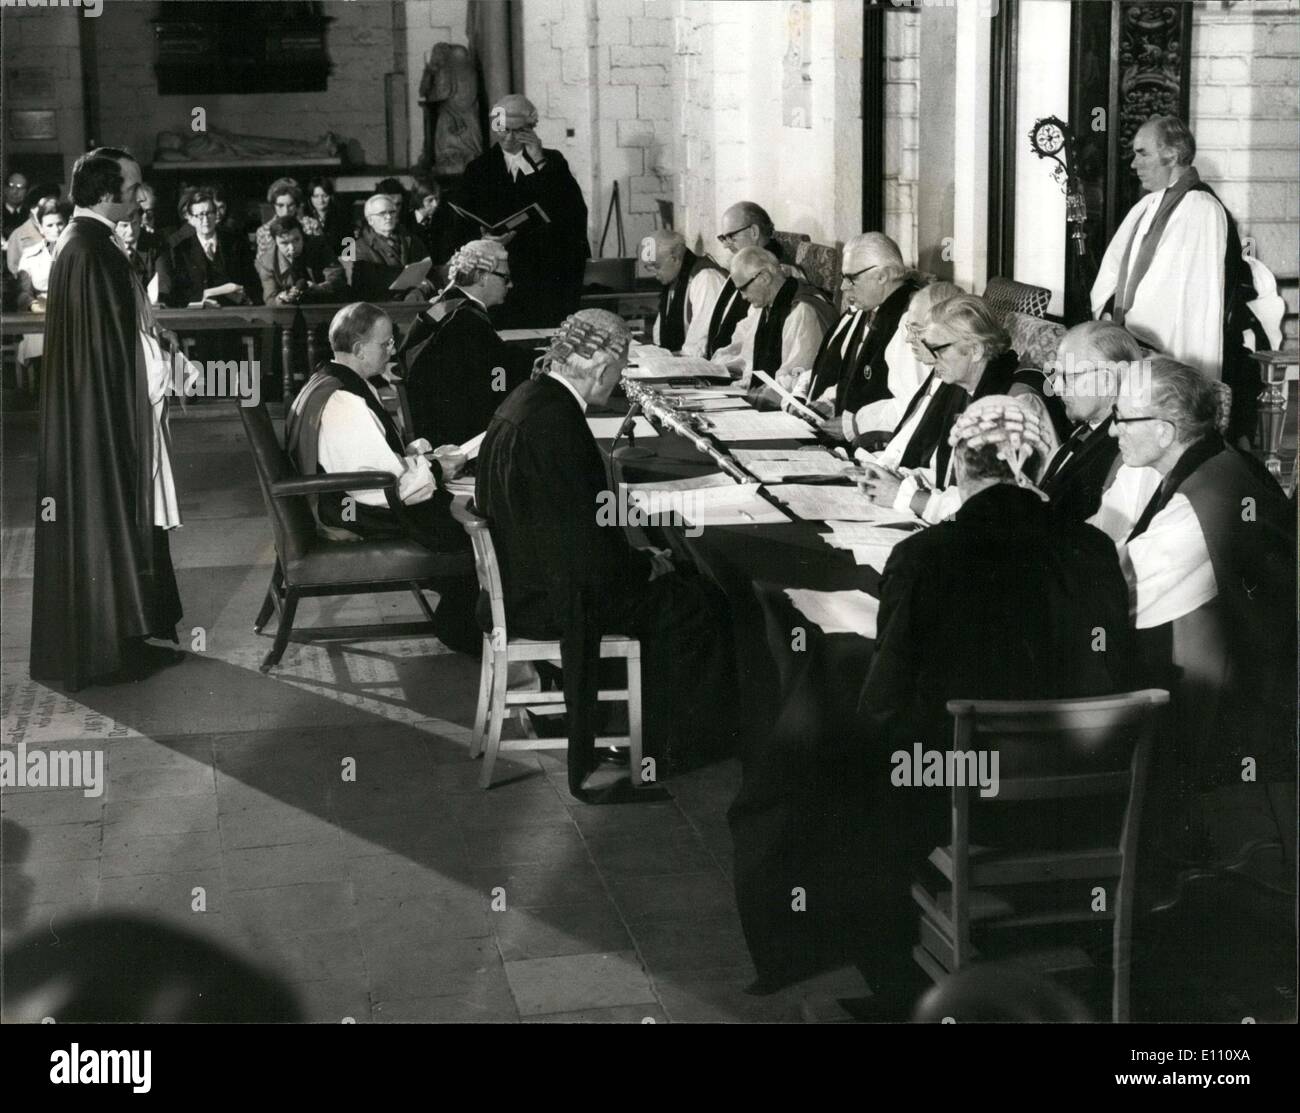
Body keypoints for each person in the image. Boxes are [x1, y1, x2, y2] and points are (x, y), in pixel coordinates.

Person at [854, 396, 1135, 1014]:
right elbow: (1115, 665)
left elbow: (884, 701)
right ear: (1031, 466)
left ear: (958, 466)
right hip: (1084, 781)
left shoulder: (924, 556)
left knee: (862, 764)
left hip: (966, 783)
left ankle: (894, 977)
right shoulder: (1092, 549)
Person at [475, 310, 735, 802]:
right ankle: (671, 748)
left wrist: (634, 551)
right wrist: (644, 562)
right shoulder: (559, 425)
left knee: (672, 576)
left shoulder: (529, 399)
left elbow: (572, 525)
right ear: (599, 367)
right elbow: (583, 556)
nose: (620, 380)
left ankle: (628, 726)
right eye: (621, 370)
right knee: (699, 602)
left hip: (521, 584)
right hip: (552, 599)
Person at [1094, 357, 1295, 794]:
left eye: (1122, 419)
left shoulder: (1204, 497)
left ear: (1165, 431)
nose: (1112, 431)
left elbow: (1121, 591)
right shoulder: (1212, 460)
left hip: (1230, 693)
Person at [30, 146, 185, 690]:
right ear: (105, 192)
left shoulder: (91, 243)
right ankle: (116, 649)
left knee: (115, 517)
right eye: (133, 185)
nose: (142, 196)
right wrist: (162, 365)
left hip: (101, 409)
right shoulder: (91, 249)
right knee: (110, 515)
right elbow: (116, 347)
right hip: (106, 414)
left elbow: (121, 334)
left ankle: (126, 640)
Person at [285, 303, 480, 654]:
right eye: (386, 343)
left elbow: (370, 463)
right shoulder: (344, 400)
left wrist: (423, 457)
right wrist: (437, 469)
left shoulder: (333, 380)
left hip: (344, 501)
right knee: (473, 526)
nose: (393, 349)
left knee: (455, 506)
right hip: (355, 513)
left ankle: (461, 613)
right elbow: (385, 487)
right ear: (359, 349)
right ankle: (463, 627)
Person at [857, 293, 1063, 523]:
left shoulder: (1016, 405)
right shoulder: (960, 387)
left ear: (975, 350)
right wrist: (902, 479)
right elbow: (948, 475)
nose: (931, 358)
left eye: (939, 349)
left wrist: (906, 496)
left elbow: (997, 506)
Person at [451, 94, 590, 326]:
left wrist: (538, 161)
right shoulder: (479, 168)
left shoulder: (552, 162)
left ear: (531, 128)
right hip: (502, 275)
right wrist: (484, 238)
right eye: (503, 130)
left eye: (518, 130)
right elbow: (461, 221)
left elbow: (572, 214)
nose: (509, 137)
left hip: (545, 271)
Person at [398, 239, 534, 447]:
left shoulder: (444, 306)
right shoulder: (466, 320)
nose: (510, 284)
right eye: (505, 278)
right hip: (458, 438)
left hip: (433, 424)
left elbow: (491, 358)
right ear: (482, 277)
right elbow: (496, 376)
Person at [793, 232, 926, 426]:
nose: (844, 287)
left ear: (882, 276)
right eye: (843, 277)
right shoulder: (869, 308)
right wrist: (831, 401)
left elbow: (911, 403)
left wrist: (856, 425)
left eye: (851, 278)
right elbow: (851, 376)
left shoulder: (910, 321)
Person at [1039, 321, 1145, 522]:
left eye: (1067, 377)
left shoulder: (1128, 457)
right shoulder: (1087, 428)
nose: (1056, 387)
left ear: (1107, 381)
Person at [713, 246, 835, 382]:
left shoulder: (802, 311)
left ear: (764, 277)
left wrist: (758, 395)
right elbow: (749, 359)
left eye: (743, 289)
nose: (743, 297)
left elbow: (796, 376)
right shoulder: (766, 305)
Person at [703, 201, 803, 358]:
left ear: (754, 232)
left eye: (731, 236)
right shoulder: (743, 266)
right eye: (723, 238)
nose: (726, 245)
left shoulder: (775, 274)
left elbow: (750, 339)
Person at [159, 187, 258, 307]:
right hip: (196, 318)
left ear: (216, 214)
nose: (205, 220)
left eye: (209, 213)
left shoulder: (235, 243)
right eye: (200, 215)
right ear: (190, 218)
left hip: (233, 315)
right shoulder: (181, 250)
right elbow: (177, 292)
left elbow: (252, 282)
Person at [643, 228, 726, 357]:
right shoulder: (673, 281)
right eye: (649, 267)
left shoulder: (706, 278)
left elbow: (700, 345)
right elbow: (659, 336)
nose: (653, 273)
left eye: (656, 266)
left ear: (675, 258)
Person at [14, 197, 71, 387]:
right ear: (41, 228)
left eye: (60, 224)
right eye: (50, 225)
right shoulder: (30, 256)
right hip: (41, 317)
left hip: (73, 315)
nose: (56, 229)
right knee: (40, 342)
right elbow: (23, 292)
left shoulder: (78, 253)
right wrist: (33, 304)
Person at [349, 194, 430, 302]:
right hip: (381, 306)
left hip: (414, 303)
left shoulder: (412, 240)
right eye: (382, 213)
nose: (388, 217)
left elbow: (429, 271)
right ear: (370, 220)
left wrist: (421, 289)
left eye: (392, 212)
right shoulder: (359, 247)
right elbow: (364, 287)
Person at [254, 215, 347, 305]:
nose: (292, 248)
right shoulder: (267, 262)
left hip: (324, 304)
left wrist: (320, 288)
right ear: (275, 243)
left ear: (303, 236)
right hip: (288, 314)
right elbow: (270, 300)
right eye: (284, 243)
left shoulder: (319, 246)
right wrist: (282, 298)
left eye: (296, 240)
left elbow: (338, 278)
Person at [6, 181, 61, 277]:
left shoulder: (67, 229)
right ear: (33, 208)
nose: (52, 209)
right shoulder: (18, 236)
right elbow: (16, 276)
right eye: (45, 205)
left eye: (54, 204)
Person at [254, 177, 322, 253]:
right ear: (274, 206)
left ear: (297, 205)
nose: (286, 210)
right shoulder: (263, 231)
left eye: (290, 205)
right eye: (280, 205)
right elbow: (262, 262)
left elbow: (321, 254)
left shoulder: (311, 225)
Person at [410, 177, 457, 266]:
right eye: (430, 200)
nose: (435, 204)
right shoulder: (406, 222)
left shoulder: (444, 219)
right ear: (418, 200)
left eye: (437, 199)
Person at [307, 176, 351, 258]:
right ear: (310, 198)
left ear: (331, 196)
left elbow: (348, 247)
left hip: (338, 263)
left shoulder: (342, 218)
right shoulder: (306, 218)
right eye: (316, 196)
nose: (321, 200)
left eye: (325, 196)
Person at [3, 169, 29, 241]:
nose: (15, 192)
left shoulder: (31, 215)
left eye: (20, 188)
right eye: (11, 187)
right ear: (5, 189)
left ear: (26, 192)